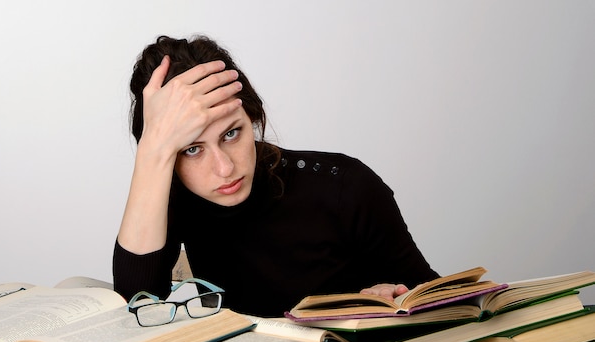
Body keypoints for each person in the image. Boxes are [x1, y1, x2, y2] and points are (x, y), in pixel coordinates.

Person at [113, 35, 439, 317]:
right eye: (192, 149)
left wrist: (395, 298)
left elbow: (440, 304)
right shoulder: (176, 197)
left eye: (232, 134)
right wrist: (152, 150)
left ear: (251, 116)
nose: (225, 168)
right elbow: (138, 304)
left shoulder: (347, 185)